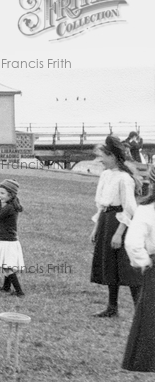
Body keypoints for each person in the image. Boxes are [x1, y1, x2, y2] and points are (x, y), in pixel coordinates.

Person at [90, 135, 142, 317]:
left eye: (102, 156)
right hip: (106, 220)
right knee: (110, 264)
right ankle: (112, 307)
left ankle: (139, 311)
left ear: (112, 156)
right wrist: (96, 227)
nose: (100, 160)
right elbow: (102, 205)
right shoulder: (105, 175)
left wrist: (119, 233)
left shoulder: (124, 178)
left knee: (126, 267)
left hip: (120, 223)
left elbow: (129, 209)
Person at [122, 165, 155, 372]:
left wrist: (143, 263)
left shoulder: (146, 211)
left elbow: (132, 243)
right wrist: (144, 262)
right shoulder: (145, 210)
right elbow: (132, 243)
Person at [0, 179, 25, 296]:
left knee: (7, 267)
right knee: (6, 265)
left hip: (7, 241)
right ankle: (6, 287)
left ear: (11, 194)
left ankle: (19, 291)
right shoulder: (10, 206)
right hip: (8, 240)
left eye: (2, 193)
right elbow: (0, 215)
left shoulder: (9, 207)